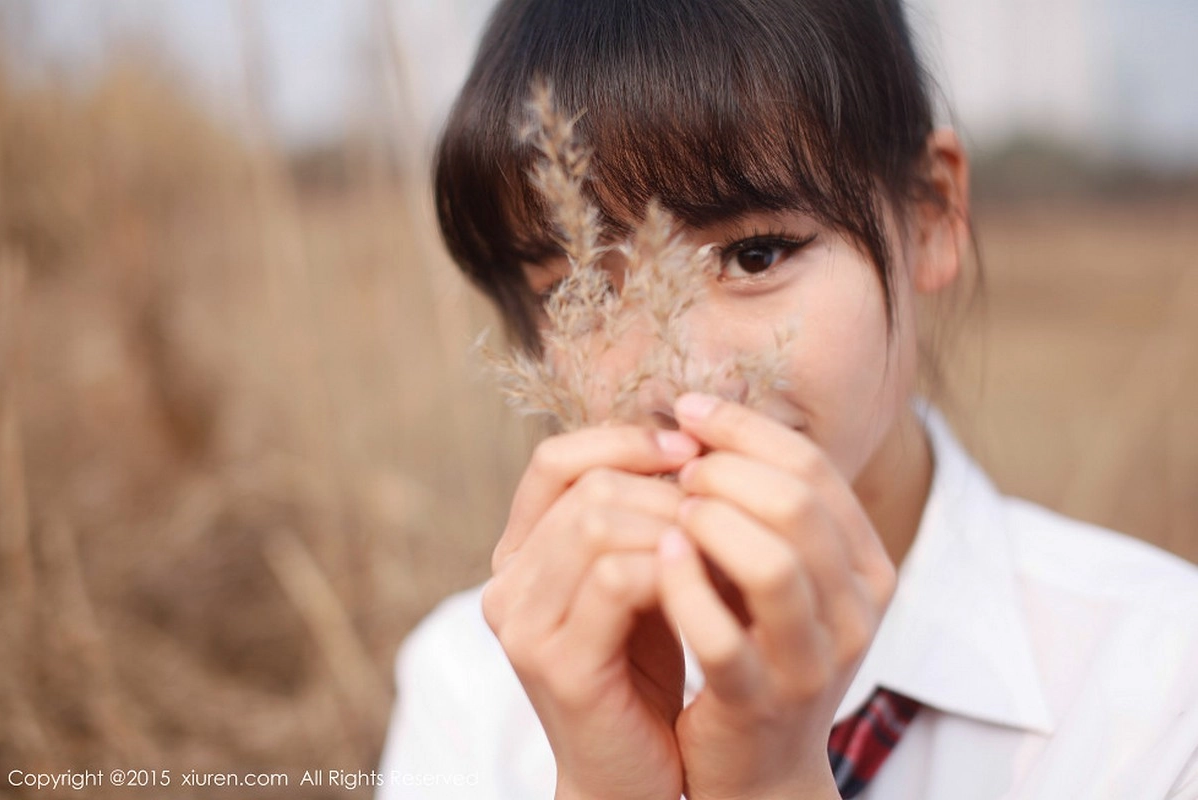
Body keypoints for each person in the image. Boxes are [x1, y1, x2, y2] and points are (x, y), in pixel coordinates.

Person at [376, 1, 1198, 797]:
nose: (679, 376)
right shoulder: (472, 686)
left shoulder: (1159, 685)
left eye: (757, 256)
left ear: (930, 215)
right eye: (580, 292)